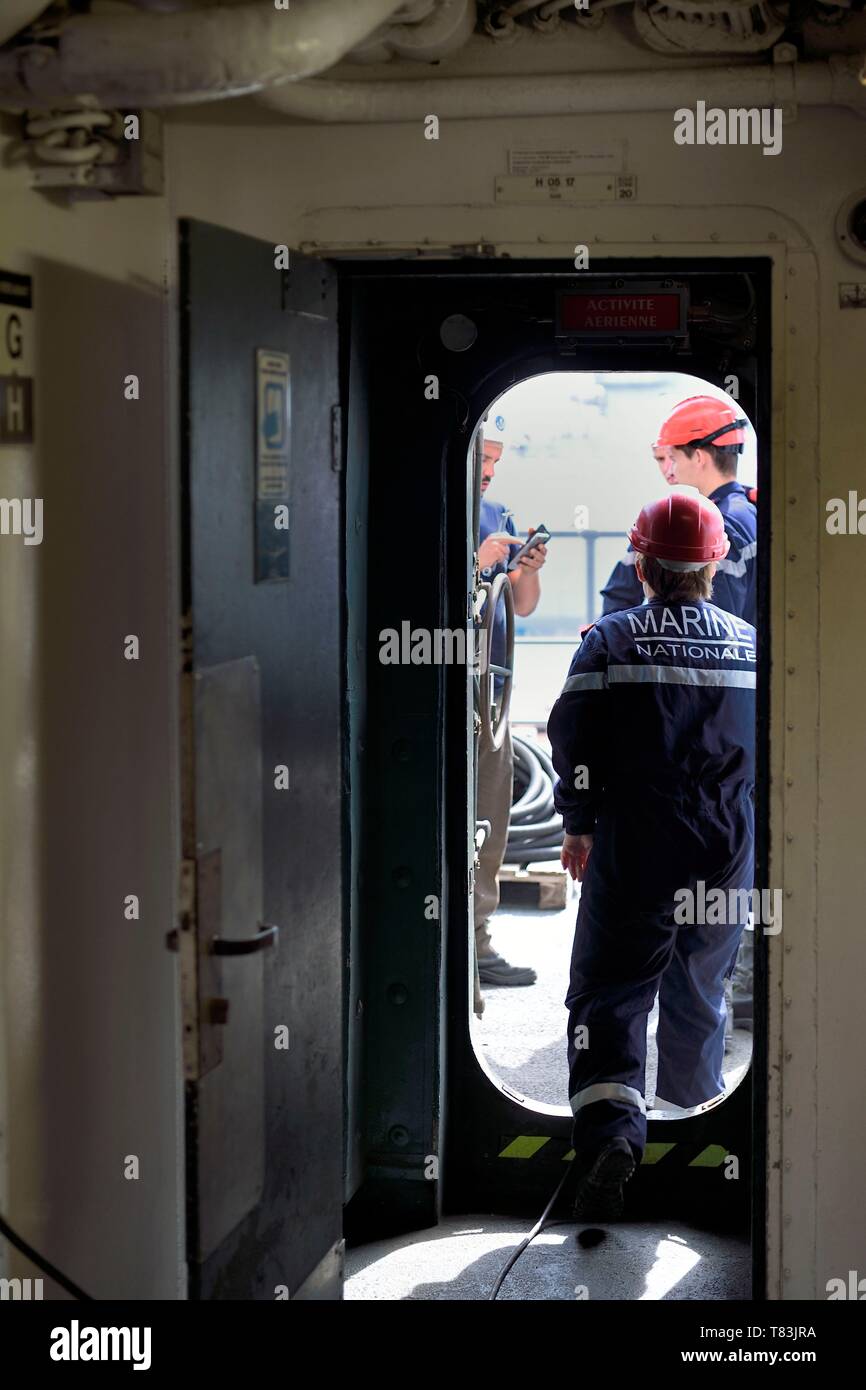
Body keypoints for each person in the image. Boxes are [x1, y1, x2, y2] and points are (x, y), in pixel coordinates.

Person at [547, 493, 756, 1221]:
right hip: (728, 845)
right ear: (716, 563)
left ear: (640, 564)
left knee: (611, 992)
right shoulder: (752, 646)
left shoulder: (610, 639)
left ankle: (610, 1138)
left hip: (637, 842)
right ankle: (694, 1140)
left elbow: (572, 735)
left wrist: (577, 824)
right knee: (701, 988)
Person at [473, 415, 547, 1010]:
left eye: (498, 461)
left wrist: (524, 570)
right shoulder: (445, 508)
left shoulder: (500, 515)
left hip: (494, 686)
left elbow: (519, 604)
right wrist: (477, 562)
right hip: (453, 679)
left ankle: (479, 939)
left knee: (490, 815)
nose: (491, 471)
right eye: (484, 458)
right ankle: (456, 935)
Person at [599, 444, 676, 615]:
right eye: (660, 459)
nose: (666, 469)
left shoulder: (654, 523)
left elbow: (617, 602)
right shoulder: (741, 514)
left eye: (670, 457)